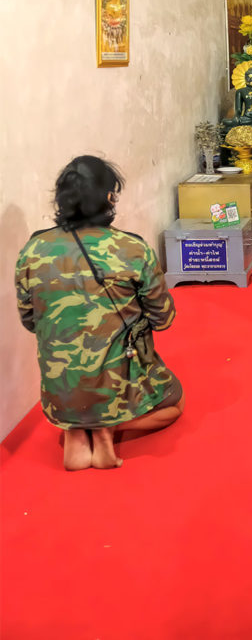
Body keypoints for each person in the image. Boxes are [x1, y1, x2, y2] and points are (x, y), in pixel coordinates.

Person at [15, 155, 184, 471]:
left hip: (59, 396)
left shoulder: (33, 249)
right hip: (119, 383)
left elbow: (29, 320)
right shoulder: (132, 249)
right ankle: (107, 428)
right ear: (110, 197)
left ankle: (78, 430)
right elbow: (164, 318)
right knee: (175, 403)